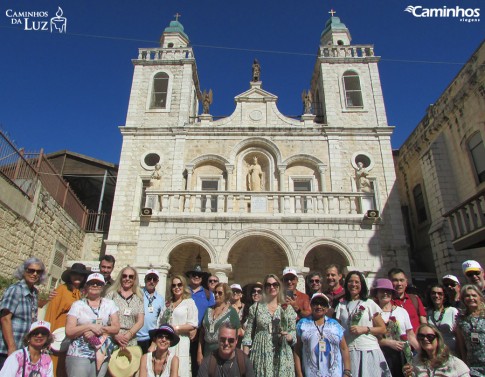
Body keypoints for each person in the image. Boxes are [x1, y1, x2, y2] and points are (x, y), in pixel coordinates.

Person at [335, 271, 390, 377]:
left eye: (357, 282)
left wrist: (365, 329)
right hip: (350, 351)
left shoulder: (369, 304)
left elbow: (383, 329)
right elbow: (338, 331)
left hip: (368, 349)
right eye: (350, 282)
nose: (353, 285)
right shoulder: (341, 305)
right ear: (346, 284)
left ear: (362, 285)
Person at [65, 273, 120, 377]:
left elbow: (116, 327)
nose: (95, 285)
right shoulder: (77, 305)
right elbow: (69, 331)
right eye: (92, 283)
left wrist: (97, 330)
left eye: (98, 284)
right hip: (79, 353)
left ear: (103, 286)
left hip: (101, 352)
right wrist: (89, 327)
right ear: (86, 285)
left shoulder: (109, 304)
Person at [242, 274, 296, 377]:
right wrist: (245, 359)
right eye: (268, 285)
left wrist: (289, 337)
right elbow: (248, 335)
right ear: (265, 287)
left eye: (275, 284)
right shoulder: (255, 307)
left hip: (282, 353)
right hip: (261, 353)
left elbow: (293, 330)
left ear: (279, 286)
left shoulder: (286, 308)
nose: (272, 287)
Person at [44, 263, 90, 376]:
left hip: (75, 337)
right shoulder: (61, 290)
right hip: (58, 334)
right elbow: (52, 311)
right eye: (75, 274)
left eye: (81, 275)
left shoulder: (83, 293)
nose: (78, 277)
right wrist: (47, 335)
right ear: (70, 276)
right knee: (56, 366)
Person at [0, 257, 46, 369]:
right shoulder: (16, 290)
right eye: (31, 270)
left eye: (38, 271)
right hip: (6, 349)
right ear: (23, 271)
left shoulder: (34, 293)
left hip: (22, 348)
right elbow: (5, 318)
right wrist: (11, 347)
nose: (34, 274)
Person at [294, 293, 351, 377]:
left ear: (327, 308)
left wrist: (347, 371)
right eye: (316, 303)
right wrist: (299, 374)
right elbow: (297, 350)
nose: (319, 306)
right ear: (311, 305)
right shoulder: (302, 324)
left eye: (323, 304)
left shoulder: (335, 324)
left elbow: (344, 348)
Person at [371, 278, 418, 377]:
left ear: (392, 294)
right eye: (382, 291)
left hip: (402, 356)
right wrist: (387, 342)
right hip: (381, 356)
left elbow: (410, 335)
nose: (385, 293)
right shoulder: (372, 313)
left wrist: (421, 352)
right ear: (376, 293)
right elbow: (369, 338)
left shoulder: (402, 311)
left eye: (388, 291)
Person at [158, 274, 198, 377]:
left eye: (179, 285)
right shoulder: (168, 303)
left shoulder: (189, 302)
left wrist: (176, 328)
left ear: (184, 286)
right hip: (167, 340)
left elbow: (193, 324)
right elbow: (160, 322)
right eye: (174, 285)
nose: (177, 287)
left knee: (180, 368)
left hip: (182, 340)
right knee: (166, 367)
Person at [403, 324, 470, 377]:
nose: (425, 339)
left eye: (430, 336)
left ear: (438, 339)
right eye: (421, 336)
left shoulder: (453, 362)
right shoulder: (415, 362)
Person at [198, 283, 241, 362]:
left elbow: (237, 332)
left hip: (223, 351)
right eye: (215, 292)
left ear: (226, 295)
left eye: (220, 293)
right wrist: (199, 352)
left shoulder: (231, 311)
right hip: (207, 351)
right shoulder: (208, 310)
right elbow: (202, 332)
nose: (216, 295)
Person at [105, 266, 144, 349]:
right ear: (120, 277)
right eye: (124, 276)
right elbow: (104, 317)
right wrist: (115, 335)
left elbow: (140, 321)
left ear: (134, 279)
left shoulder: (139, 297)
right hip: (112, 339)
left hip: (130, 340)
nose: (127, 278)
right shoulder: (111, 295)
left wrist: (127, 336)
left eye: (130, 276)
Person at [186, 265, 214, 376]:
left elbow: (211, 312)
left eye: (199, 275)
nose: (196, 277)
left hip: (200, 334)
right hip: (184, 332)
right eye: (194, 275)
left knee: (198, 364)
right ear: (190, 276)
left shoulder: (208, 294)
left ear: (202, 278)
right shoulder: (184, 292)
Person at [455, 284, 485, 376]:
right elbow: (461, 345)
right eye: (467, 296)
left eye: (474, 295)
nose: (471, 298)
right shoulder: (461, 319)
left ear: (480, 297)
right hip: (473, 366)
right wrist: (465, 364)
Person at [388, 268, 427, 332]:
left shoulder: (414, 299)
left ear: (406, 282)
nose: (399, 284)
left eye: (402, 280)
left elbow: (423, 321)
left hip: (416, 339)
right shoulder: (386, 302)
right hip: (397, 341)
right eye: (395, 280)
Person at [137, 269, 165, 354]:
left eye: (154, 279)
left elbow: (161, 320)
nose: (151, 281)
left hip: (151, 339)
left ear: (157, 281)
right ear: (145, 280)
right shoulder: (138, 294)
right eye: (149, 278)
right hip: (136, 337)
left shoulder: (160, 299)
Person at [426, 284, 458, 354]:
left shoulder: (452, 311)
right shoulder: (428, 313)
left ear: (444, 296)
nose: (436, 296)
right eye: (433, 293)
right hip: (435, 352)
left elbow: (458, 334)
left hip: (452, 351)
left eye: (440, 293)